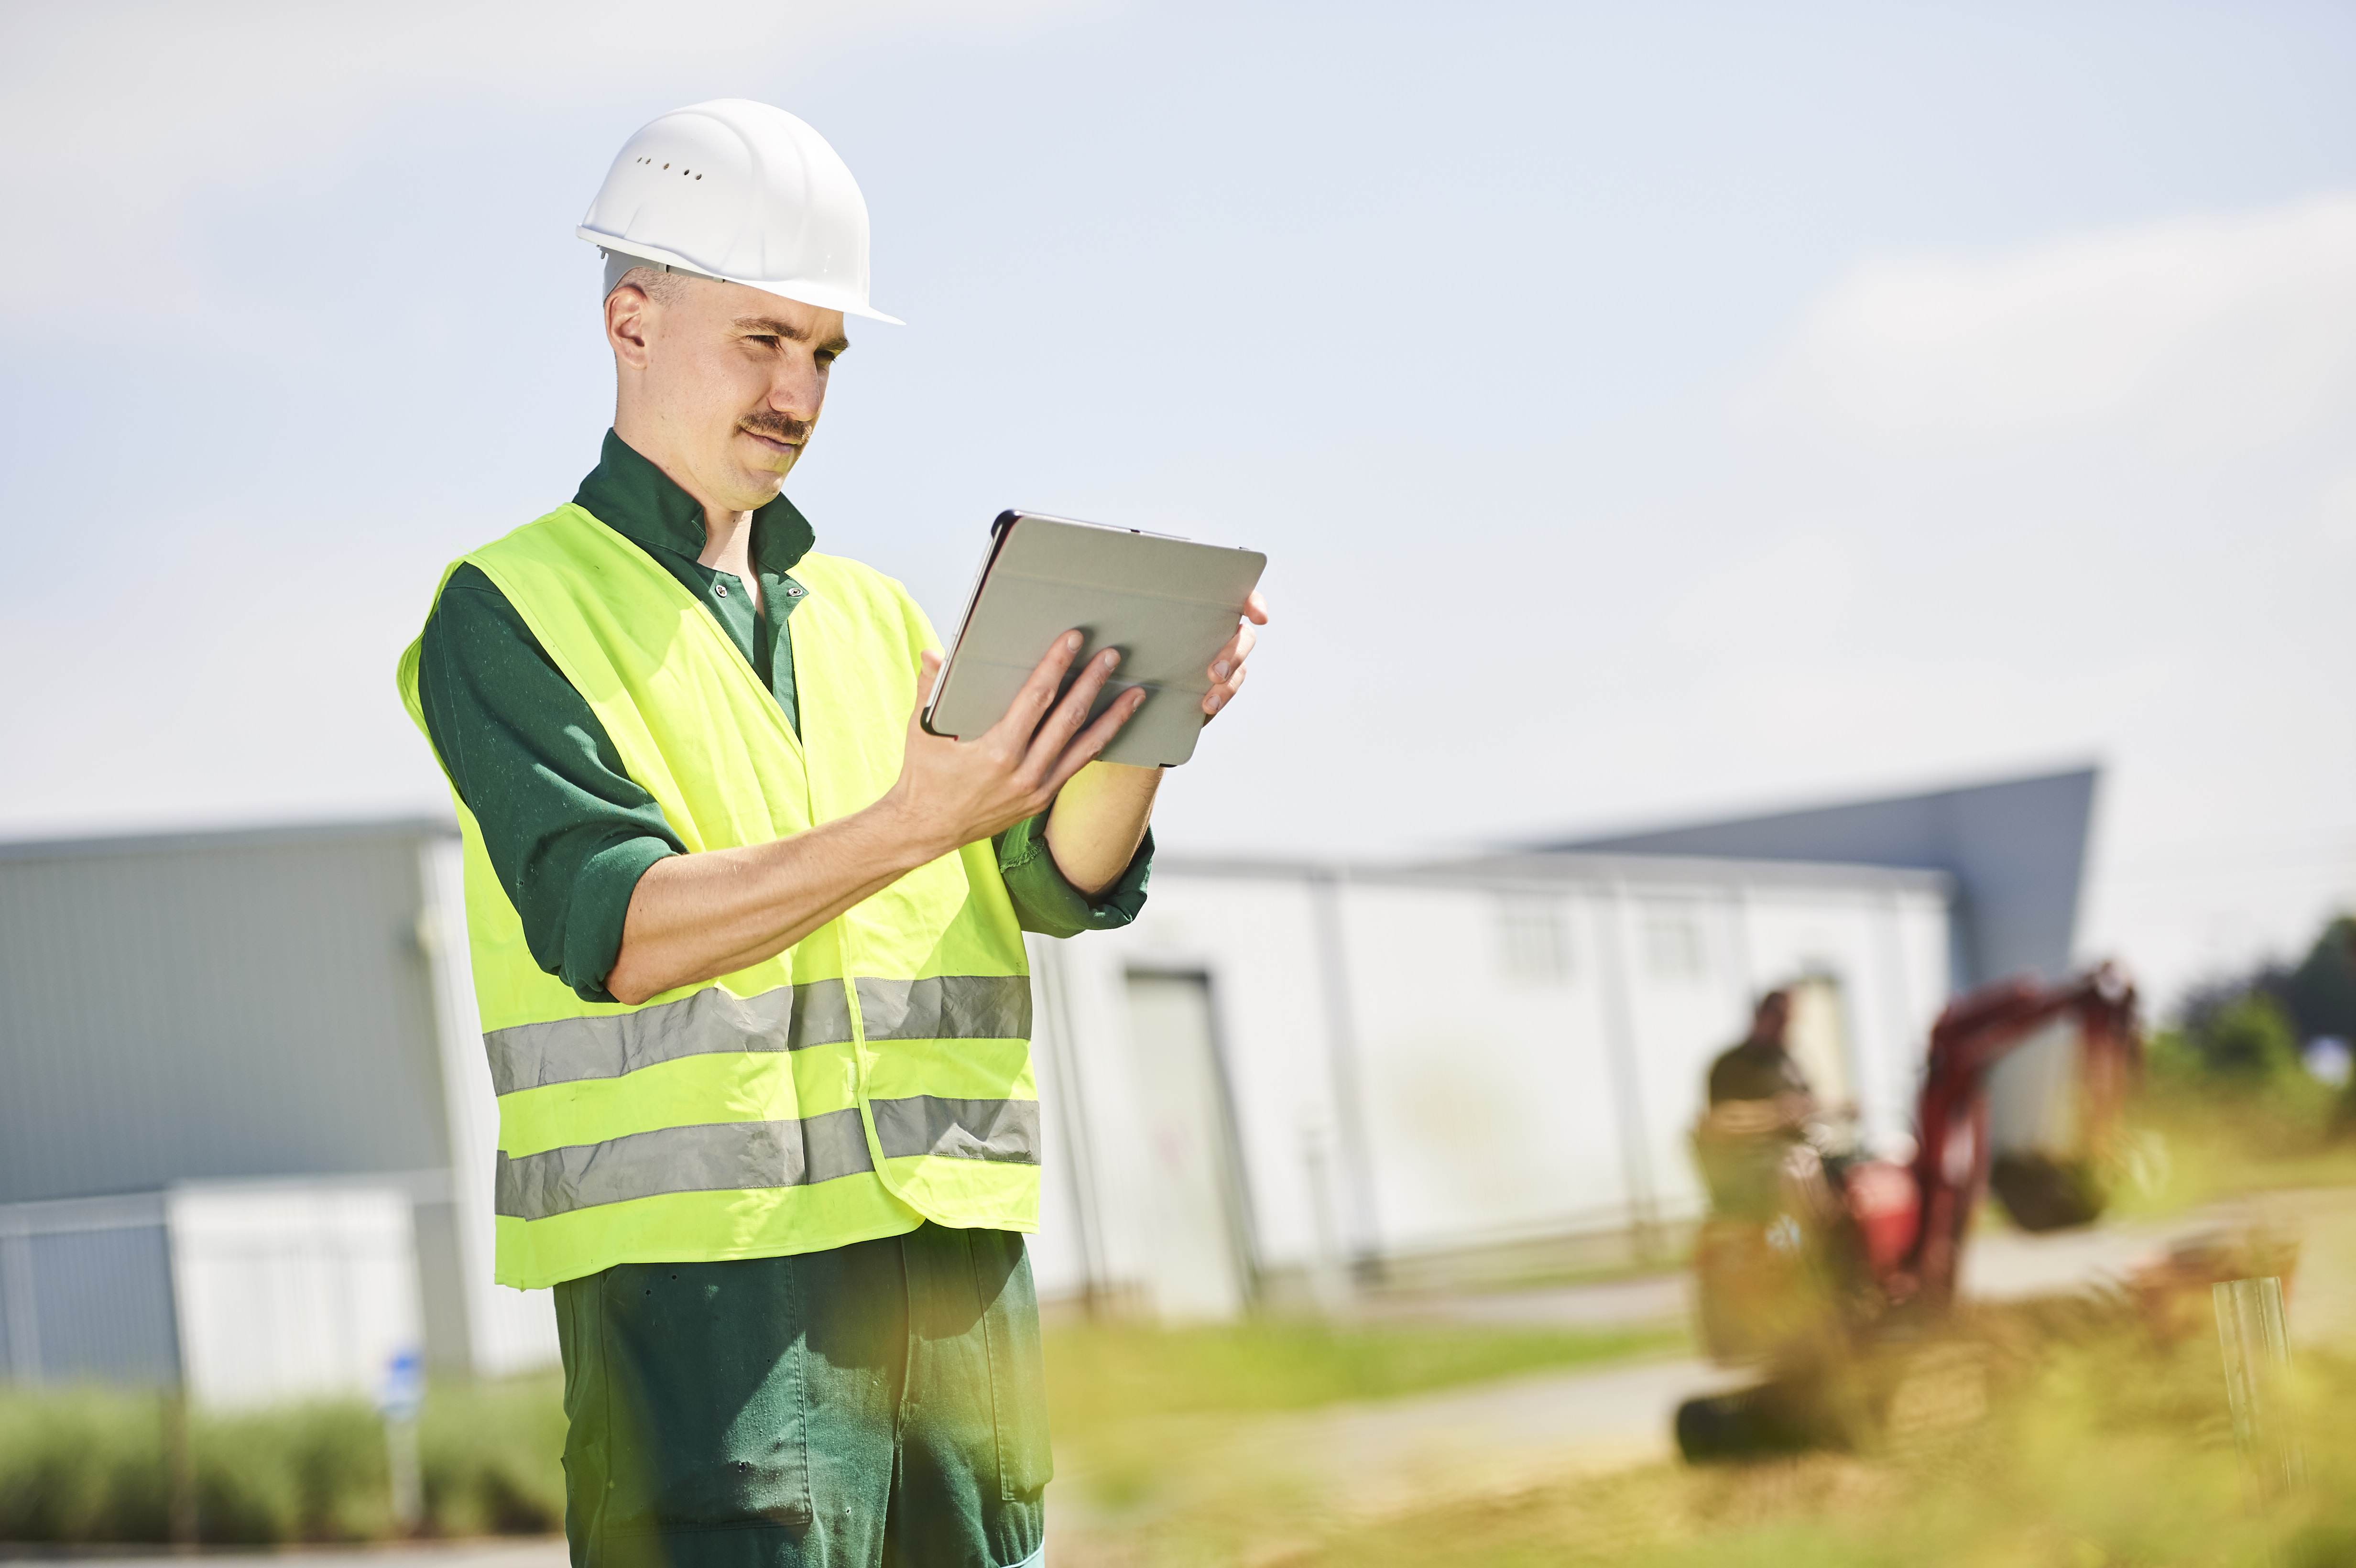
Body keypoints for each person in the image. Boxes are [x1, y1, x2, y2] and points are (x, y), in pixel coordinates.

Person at [394, 100, 1265, 1568]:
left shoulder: (877, 616)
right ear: (631, 320)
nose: (798, 391)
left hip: (959, 1292)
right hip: (707, 1313)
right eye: (762, 340)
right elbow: (620, 928)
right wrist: (916, 816)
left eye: (826, 353)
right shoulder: (510, 610)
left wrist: (1138, 734)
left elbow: (1053, 885)